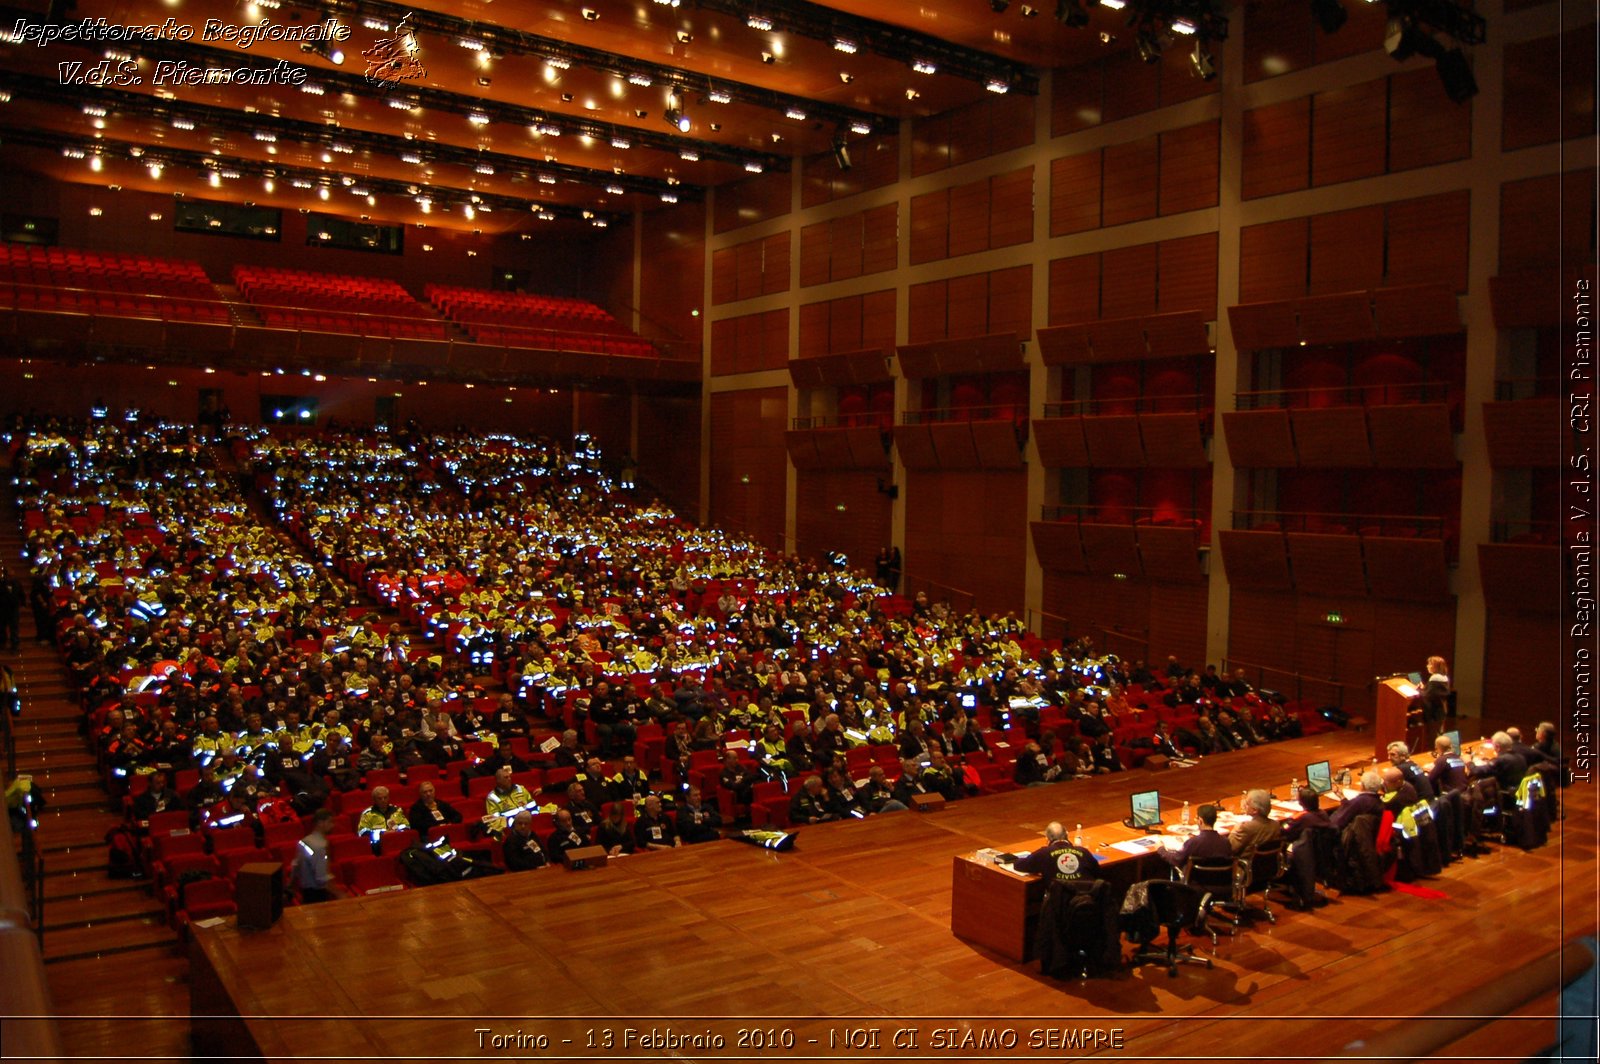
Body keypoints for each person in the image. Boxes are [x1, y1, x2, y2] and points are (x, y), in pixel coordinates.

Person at [1015, 821, 1099, 884]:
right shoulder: (1084, 852)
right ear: (1067, 835)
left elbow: (1019, 865)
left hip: (1059, 903)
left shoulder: (1043, 854)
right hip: (1087, 902)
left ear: (1047, 839)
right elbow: (1097, 872)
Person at [1161, 803, 1232, 869]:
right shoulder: (1226, 842)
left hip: (1195, 881)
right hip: (1221, 881)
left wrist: (1161, 849)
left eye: (1196, 818)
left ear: (1200, 821)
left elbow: (1176, 860)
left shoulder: (1193, 843)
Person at [292, 809, 337, 903]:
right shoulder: (319, 846)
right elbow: (321, 878)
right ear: (320, 823)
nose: (333, 825)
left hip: (306, 893)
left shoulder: (305, 840)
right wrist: (339, 894)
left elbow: (296, 866)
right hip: (317, 896)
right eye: (330, 822)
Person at [483, 765, 534, 835]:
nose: (509, 779)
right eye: (506, 777)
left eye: (509, 777)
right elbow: (495, 819)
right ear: (498, 780)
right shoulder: (492, 797)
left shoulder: (520, 788)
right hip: (510, 828)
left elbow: (532, 804)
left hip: (528, 822)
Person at [1230, 789, 1280, 859]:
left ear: (1255, 810)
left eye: (1247, 804)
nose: (1244, 806)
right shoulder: (1276, 825)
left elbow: (1230, 848)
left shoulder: (1246, 827)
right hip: (1271, 867)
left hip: (1245, 867)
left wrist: (1234, 831)